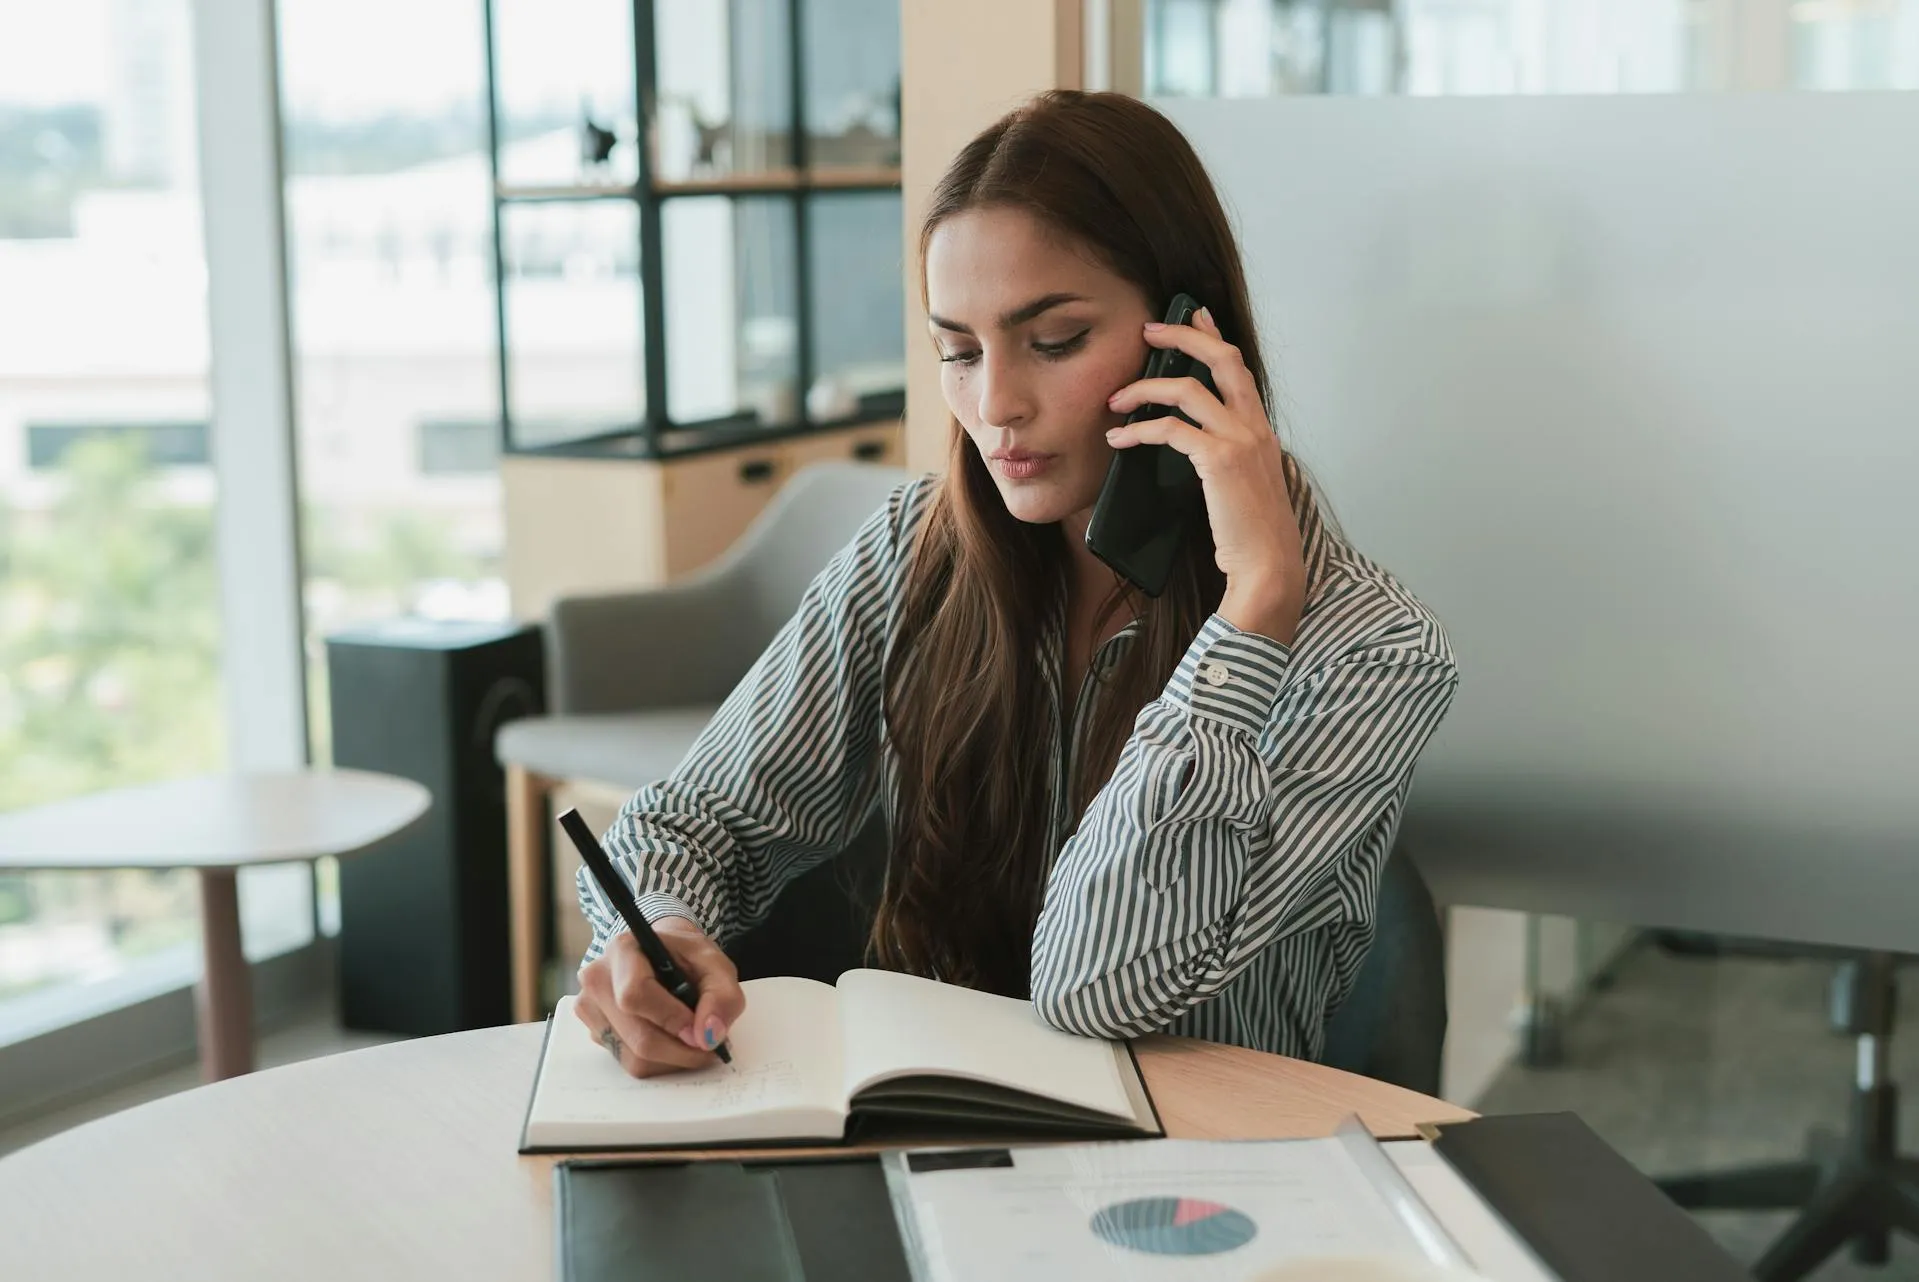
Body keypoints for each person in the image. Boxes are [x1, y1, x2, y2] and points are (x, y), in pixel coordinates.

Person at [574, 90, 1458, 1078]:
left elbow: (1099, 984)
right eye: (958, 350)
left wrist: (1250, 617)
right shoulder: (914, 550)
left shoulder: (1372, 650)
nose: (993, 405)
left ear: (1190, 338)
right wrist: (655, 928)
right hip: (949, 1150)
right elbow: (689, 822)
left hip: (1214, 1185)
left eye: (1053, 342)